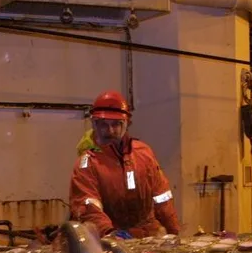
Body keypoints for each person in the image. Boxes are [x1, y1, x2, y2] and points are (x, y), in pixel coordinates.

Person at [69, 90, 180, 239]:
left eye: (117, 124)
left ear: (127, 124)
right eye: (103, 124)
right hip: (110, 241)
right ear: (94, 124)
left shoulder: (144, 153)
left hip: (150, 237)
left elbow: (162, 196)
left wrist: (174, 232)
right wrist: (110, 234)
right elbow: (87, 207)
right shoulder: (87, 164)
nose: (110, 131)